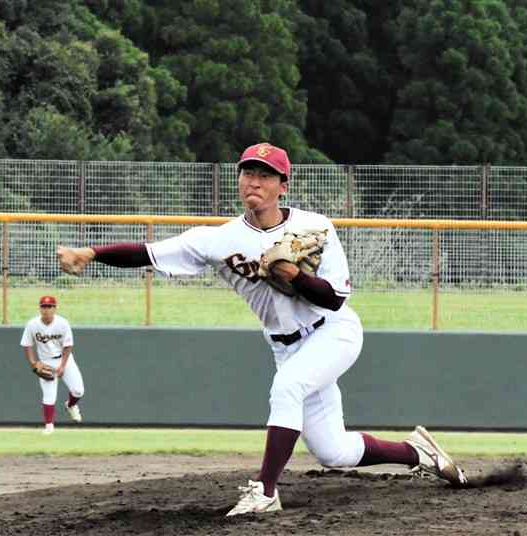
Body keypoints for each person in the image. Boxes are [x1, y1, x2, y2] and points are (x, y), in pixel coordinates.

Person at [56, 142, 467, 514]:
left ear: (282, 186)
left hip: (333, 331)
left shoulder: (315, 226)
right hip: (286, 347)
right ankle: (418, 454)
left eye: (266, 175)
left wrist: (294, 276)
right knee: (334, 451)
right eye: (249, 172)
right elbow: (146, 252)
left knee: (287, 388)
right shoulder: (218, 239)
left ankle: (265, 491)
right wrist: (91, 252)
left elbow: (335, 298)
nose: (255, 181)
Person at [20, 295, 85, 434]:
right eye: (43, 306)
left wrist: (62, 366)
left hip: (64, 359)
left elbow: (68, 346)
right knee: (49, 396)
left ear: (55, 308)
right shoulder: (32, 324)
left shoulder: (62, 323)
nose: (46, 309)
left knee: (79, 390)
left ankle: (71, 405)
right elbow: (27, 345)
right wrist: (34, 363)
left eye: (50, 306)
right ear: (40, 308)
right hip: (45, 361)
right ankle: (49, 426)